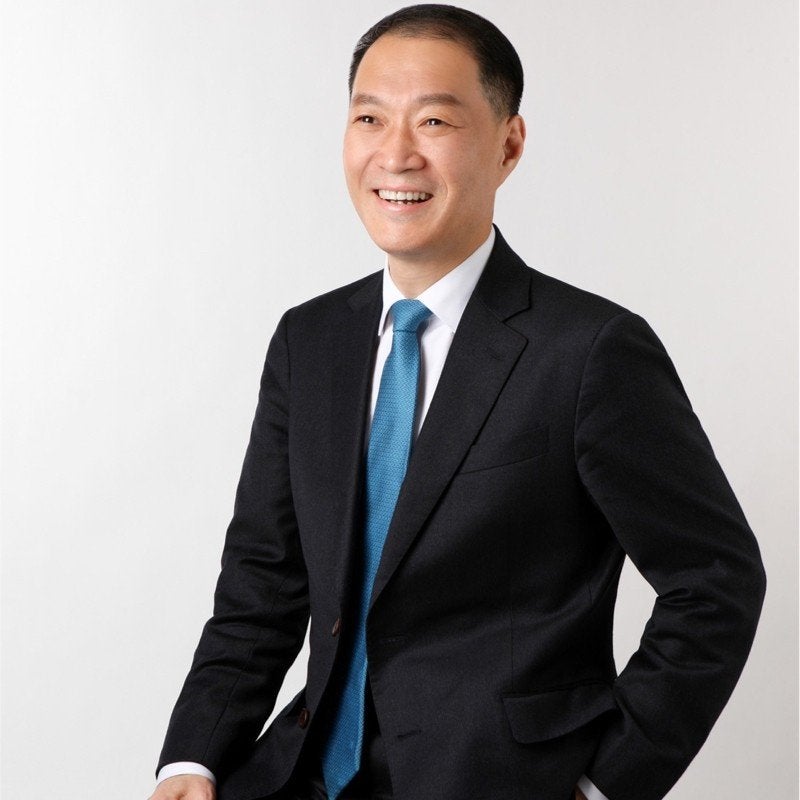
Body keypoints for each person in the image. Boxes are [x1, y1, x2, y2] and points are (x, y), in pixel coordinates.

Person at [150, 6, 766, 800]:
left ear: (509, 145)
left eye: (434, 120)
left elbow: (714, 581)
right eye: (369, 118)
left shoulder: (590, 352)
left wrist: (604, 784)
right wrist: (192, 759)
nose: (395, 153)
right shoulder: (310, 341)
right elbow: (261, 584)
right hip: (300, 776)